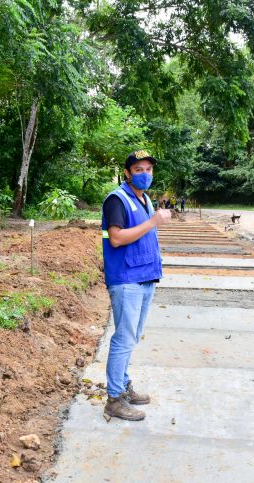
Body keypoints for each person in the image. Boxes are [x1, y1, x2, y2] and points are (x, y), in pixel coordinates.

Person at [101, 150, 172, 421]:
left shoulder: (144, 200)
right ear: (128, 172)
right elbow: (117, 239)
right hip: (127, 279)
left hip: (145, 277)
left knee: (131, 337)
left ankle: (123, 385)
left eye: (149, 170)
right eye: (139, 170)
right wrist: (153, 222)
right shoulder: (116, 200)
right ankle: (114, 399)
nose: (145, 174)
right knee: (123, 338)